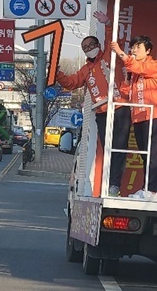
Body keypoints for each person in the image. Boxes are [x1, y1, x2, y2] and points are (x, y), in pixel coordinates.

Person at [56, 11, 131, 197]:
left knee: (119, 148)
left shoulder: (108, 56)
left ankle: (114, 185)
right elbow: (71, 83)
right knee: (107, 149)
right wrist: (56, 72)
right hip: (103, 112)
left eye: (91, 45)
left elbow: (113, 40)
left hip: (120, 107)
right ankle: (109, 184)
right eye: (85, 47)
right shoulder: (85, 70)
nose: (89, 48)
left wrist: (108, 23)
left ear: (97, 45)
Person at [111, 36, 157, 202]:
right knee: (144, 154)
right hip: (138, 116)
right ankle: (146, 189)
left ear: (147, 50)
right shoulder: (133, 73)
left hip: (152, 115)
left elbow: (138, 67)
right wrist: (127, 78)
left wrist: (120, 52)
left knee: (152, 155)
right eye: (132, 47)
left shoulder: (153, 65)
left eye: (138, 47)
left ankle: (153, 191)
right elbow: (126, 93)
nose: (134, 50)